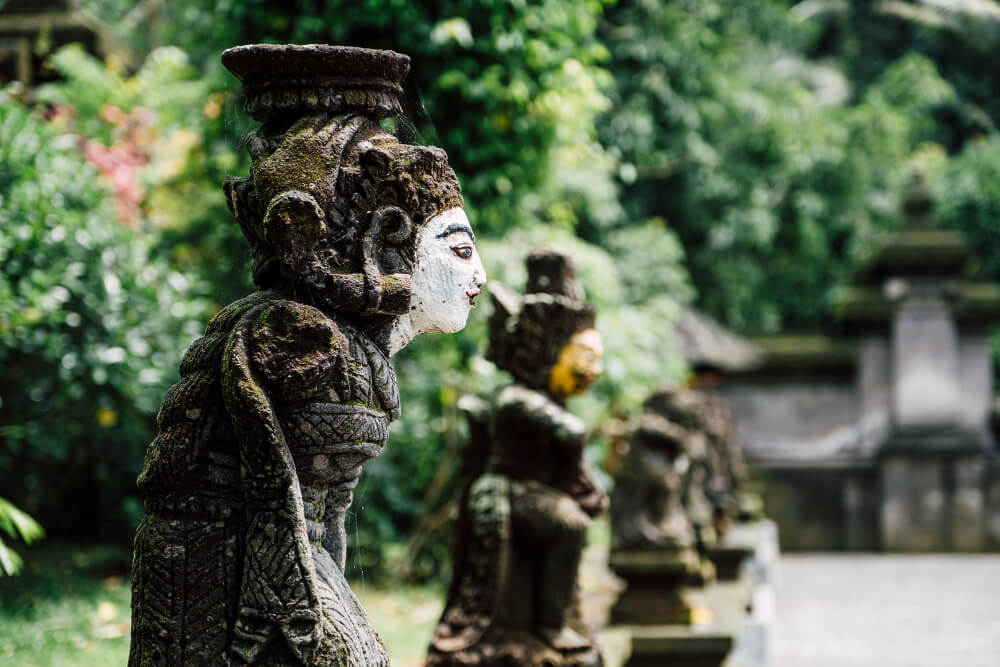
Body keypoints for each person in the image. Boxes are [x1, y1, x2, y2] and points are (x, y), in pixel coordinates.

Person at [128, 45, 485, 667]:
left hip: (287, 557)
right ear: (386, 245)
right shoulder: (306, 342)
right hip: (229, 567)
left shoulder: (347, 351)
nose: (479, 275)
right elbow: (288, 511)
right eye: (457, 251)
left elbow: (326, 515)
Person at [428, 250, 606, 667]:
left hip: (532, 493)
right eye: (583, 356)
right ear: (545, 350)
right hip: (504, 492)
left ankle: (554, 620)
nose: (592, 369)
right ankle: (550, 623)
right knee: (571, 524)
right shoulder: (517, 399)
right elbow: (572, 434)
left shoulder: (549, 400)